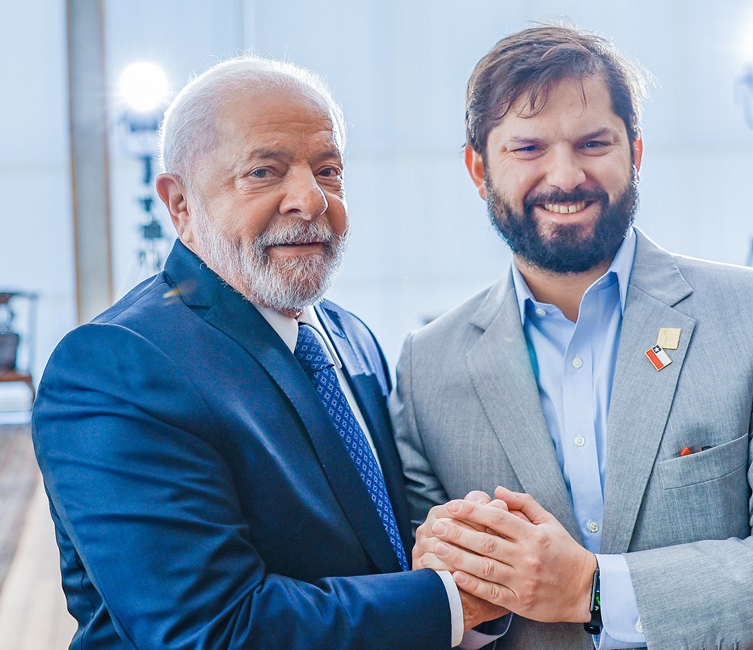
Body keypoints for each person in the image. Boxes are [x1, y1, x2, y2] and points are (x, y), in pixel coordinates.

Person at [393, 25, 753, 649]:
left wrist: (592, 589)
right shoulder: (426, 367)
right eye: (528, 148)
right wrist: (453, 591)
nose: (565, 175)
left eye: (593, 143)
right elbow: (440, 615)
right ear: (479, 168)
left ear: (635, 152)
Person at [32, 57, 495, 649]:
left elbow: (380, 546)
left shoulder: (350, 336)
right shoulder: (114, 367)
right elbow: (212, 630)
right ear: (180, 204)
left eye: (328, 171)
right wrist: (451, 603)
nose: (311, 199)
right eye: (262, 172)